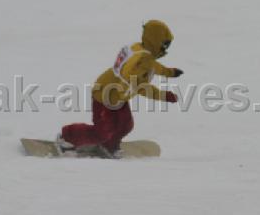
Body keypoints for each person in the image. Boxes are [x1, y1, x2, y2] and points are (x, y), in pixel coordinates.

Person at [58, 20, 183, 158]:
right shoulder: (139, 60)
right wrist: (164, 95)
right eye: (165, 44)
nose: (166, 49)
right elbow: (140, 85)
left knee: (125, 125)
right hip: (105, 95)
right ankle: (67, 137)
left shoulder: (144, 54)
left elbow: (154, 68)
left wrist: (170, 73)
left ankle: (108, 145)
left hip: (118, 97)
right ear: (155, 41)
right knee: (103, 131)